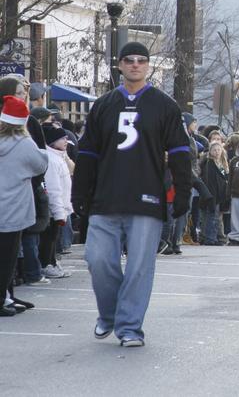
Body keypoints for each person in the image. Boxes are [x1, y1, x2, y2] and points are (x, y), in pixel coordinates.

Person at [71, 42, 193, 347]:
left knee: (139, 267)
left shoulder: (165, 106)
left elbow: (179, 153)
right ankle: (109, 314)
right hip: (106, 198)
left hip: (147, 198)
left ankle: (129, 327)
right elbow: (86, 152)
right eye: (129, 60)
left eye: (141, 60)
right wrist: (80, 191)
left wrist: (182, 192)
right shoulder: (104, 105)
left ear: (148, 66)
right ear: (120, 65)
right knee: (97, 260)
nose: (135, 65)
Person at [0, 96, 49, 316]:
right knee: (8, 257)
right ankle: (2, 299)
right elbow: (40, 165)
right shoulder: (24, 144)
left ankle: (7, 297)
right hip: (13, 209)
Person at [39, 124, 73, 279]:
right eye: (62, 138)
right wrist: (59, 212)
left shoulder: (58, 158)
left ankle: (51, 262)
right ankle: (46, 264)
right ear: (53, 141)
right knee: (49, 237)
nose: (66, 141)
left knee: (53, 237)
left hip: (60, 206)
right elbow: (54, 188)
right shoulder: (52, 160)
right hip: (54, 208)